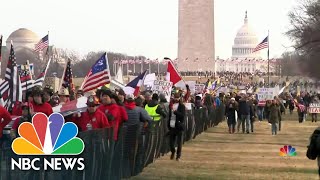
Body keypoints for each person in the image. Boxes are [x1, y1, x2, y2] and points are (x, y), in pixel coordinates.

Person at [168, 93, 185, 161]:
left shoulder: (182, 106)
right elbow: (169, 115)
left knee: (179, 142)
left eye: (177, 97)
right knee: (171, 142)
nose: (176, 99)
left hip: (179, 126)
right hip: (172, 125)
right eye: (175, 97)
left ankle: (178, 156)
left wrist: (176, 112)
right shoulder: (171, 105)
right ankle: (173, 151)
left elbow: (182, 116)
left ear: (179, 98)